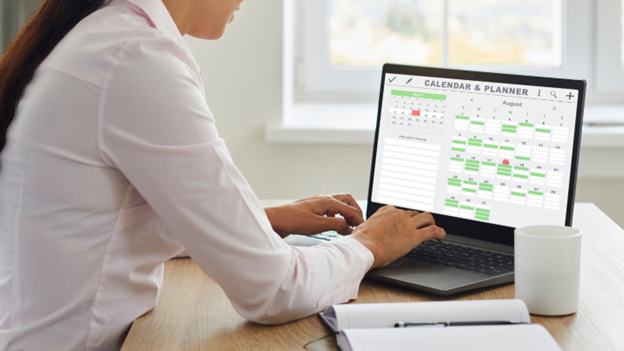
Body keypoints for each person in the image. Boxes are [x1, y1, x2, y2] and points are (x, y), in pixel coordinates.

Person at [0, 0, 446, 350]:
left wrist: (259, 219)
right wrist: (368, 243)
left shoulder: (106, 33)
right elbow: (272, 290)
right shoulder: (136, 60)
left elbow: (108, 220)